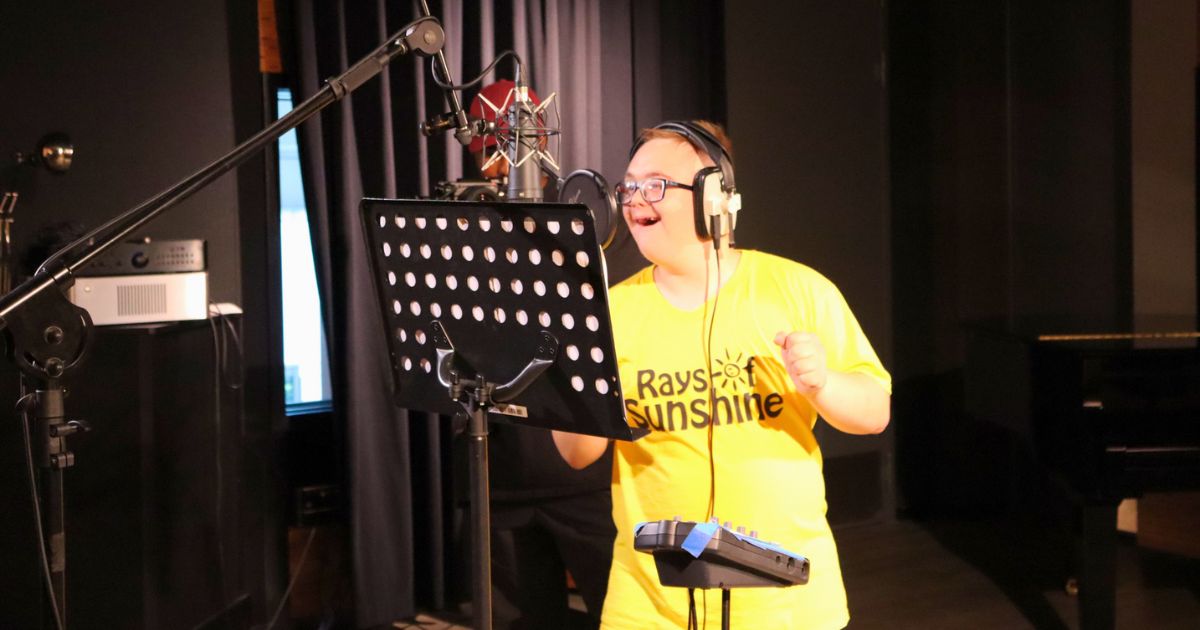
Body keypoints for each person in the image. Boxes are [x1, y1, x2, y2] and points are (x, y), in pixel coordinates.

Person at [552, 120, 891, 629]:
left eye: (656, 185)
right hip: (649, 604)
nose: (636, 200)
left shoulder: (797, 289)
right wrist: (578, 372)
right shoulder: (609, 314)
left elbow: (875, 413)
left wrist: (822, 383)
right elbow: (578, 455)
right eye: (630, 186)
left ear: (714, 196)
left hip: (788, 605)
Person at [461, 80, 615, 629]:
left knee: (618, 614)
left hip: (582, 477)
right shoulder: (461, 227)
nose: (499, 163)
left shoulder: (578, 220)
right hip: (502, 475)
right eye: (490, 150)